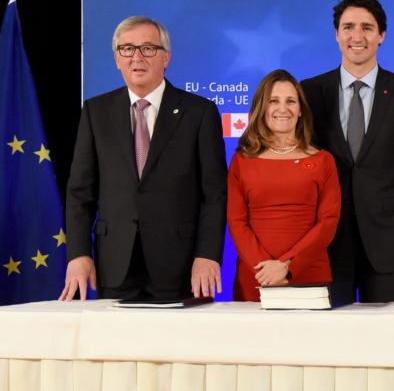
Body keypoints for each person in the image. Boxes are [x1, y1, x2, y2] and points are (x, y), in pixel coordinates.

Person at [61, 16, 226, 301]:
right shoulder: (96, 112)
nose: (136, 57)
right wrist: (78, 254)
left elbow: (215, 195)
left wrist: (207, 254)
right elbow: (79, 193)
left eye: (148, 48)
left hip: (180, 267)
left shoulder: (199, 112)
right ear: (116, 59)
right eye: (127, 49)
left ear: (166, 57)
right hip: (114, 265)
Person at [301, 0, 394, 303]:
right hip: (327, 242)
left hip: (390, 244)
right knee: (330, 342)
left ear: (381, 36)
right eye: (348, 27)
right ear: (336, 35)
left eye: (367, 27)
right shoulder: (309, 92)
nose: (356, 36)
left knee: (388, 342)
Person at [227, 70, 341, 301]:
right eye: (273, 101)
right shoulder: (242, 160)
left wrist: (288, 265)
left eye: (291, 101)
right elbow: (237, 222)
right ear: (263, 108)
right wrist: (266, 269)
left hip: (309, 276)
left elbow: (328, 223)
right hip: (257, 276)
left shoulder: (323, 160)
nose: (282, 108)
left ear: (300, 110)